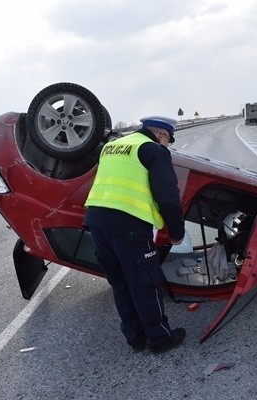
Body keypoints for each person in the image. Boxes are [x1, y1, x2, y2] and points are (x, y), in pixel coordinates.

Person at [83, 115, 186, 354]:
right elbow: (168, 196)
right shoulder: (154, 151)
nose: (167, 145)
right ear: (162, 135)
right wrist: (177, 233)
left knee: (120, 283)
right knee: (145, 283)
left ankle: (135, 338)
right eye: (168, 141)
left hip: (97, 222)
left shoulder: (112, 147)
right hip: (129, 224)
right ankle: (160, 339)